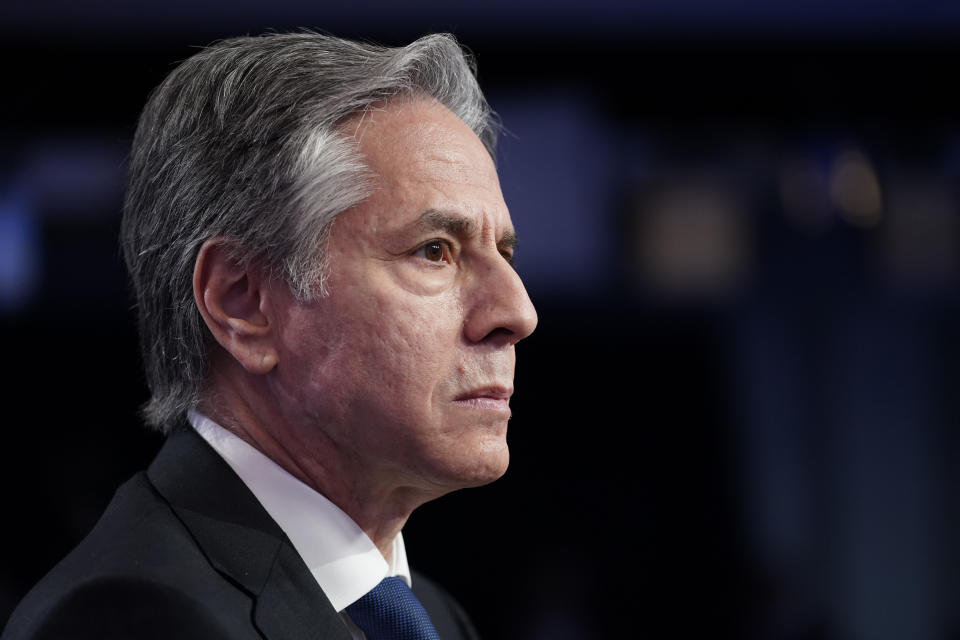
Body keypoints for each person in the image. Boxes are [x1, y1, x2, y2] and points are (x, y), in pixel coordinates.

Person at [2, 31, 537, 640]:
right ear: (243, 303)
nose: (517, 312)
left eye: (504, 251)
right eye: (435, 251)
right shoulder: (133, 620)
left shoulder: (433, 617)